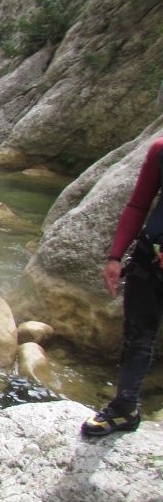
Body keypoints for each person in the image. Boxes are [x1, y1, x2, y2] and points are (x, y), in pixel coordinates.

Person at [82, 136, 163, 436]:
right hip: (149, 262)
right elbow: (139, 204)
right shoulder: (160, 150)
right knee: (137, 338)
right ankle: (124, 408)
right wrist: (115, 256)